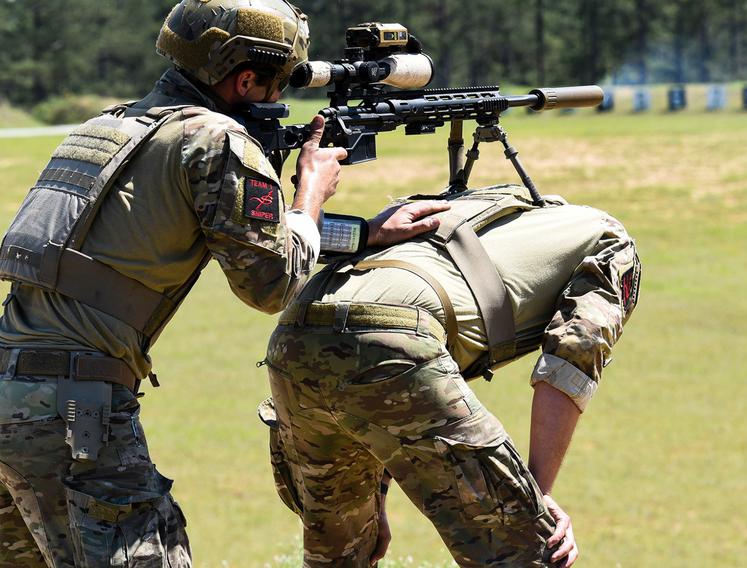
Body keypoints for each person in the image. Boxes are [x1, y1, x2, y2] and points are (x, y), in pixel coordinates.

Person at [0, 1, 446, 566]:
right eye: (275, 84)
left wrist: (361, 235)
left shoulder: (108, 128)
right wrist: (311, 190)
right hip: (74, 412)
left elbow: (209, 232)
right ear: (244, 78)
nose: (277, 98)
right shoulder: (214, 140)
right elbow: (271, 285)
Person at [263, 183, 642, 567]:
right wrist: (532, 498)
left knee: (339, 558)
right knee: (530, 552)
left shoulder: (463, 208)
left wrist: (372, 494)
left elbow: (365, 316)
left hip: (293, 337)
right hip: (395, 339)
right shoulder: (610, 242)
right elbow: (573, 356)